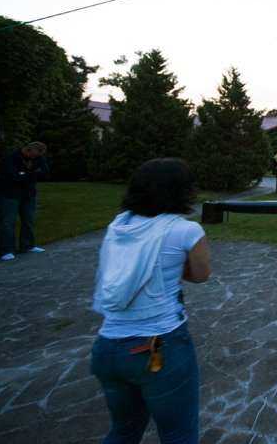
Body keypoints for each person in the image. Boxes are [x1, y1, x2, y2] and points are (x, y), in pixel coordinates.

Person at [90, 157, 211, 443]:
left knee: (124, 431)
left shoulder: (118, 227)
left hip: (107, 346)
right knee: (178, 434)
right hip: (158, 346)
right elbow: (201, 275)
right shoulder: (185, 231)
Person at [0, 141, 49, 261]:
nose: (36, 158)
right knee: (8, 222)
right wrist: (32, 174)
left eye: (38, 156)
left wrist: (25, 174)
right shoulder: (12, 158)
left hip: (29, 194)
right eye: (34, 155)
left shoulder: (38, 158)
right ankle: (6, 250)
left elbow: (45, 173)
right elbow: (13, 177)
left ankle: (27, 245)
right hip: (9, 194)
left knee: (28, 220)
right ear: (28, 150)